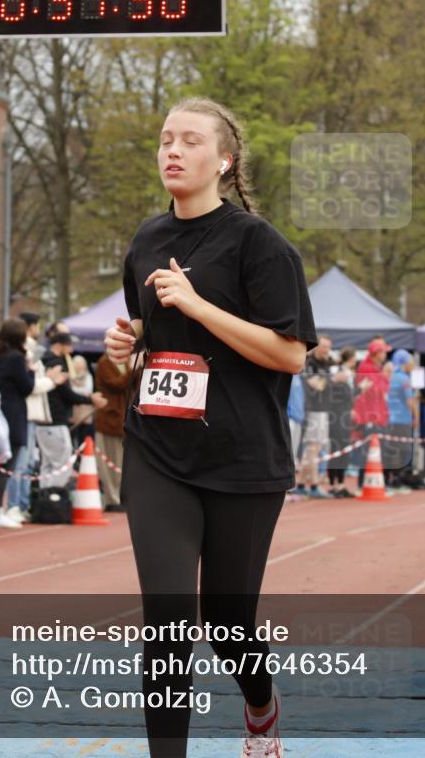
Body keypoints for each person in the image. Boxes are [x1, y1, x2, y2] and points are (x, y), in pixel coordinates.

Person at [105, 97, 317, 758]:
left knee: (227, 625)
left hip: (243, 459)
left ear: (222, 160)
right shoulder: (145, 241)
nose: (171, 150)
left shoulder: (259, 244)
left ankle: (260, 706)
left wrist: (197, 306)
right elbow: (150, 337)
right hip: (159, 450)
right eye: (165, 139)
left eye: (189, 140)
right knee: (167, 622)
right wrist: (124, 346)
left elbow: (289, 353)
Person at [5, 312, 66, 522]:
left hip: (33, 412)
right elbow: (29, 385)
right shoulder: (25, 352)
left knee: (28, 462)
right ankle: (15, 505)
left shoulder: (30, 351)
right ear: (30, 327)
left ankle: (21, 504)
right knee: (21, 462)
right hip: (27, 411)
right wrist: (51, 381)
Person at [0, 318, 36, 530]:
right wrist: (30, 370)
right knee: (6, 464)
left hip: (2, 410)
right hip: (13, 413)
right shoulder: (16, 358)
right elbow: (26, 387)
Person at [40, 331, 106, 488]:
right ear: (59, 345)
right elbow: (67, 394)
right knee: (61, 464)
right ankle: (54, 500)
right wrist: (90, 399)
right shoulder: (57, 364)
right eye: (68, 346)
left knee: (47, 464)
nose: (70, 350)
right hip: (55, 420)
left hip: (44, 420)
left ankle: (46, 500)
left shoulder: (43, 361)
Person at [94, 351, 137, 511]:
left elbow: (134, 384)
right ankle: (112, 498)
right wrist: (133, 369)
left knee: (120, 462)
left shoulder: (125, 362)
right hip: (109, 419)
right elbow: (116, 385)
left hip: (122, 419)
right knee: (109, 462)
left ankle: (120, 496)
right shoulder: (105, 362)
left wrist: (137, 369)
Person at [297, 335, 334, 498]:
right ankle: (312, 485)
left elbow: (323, 384)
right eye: (324, 347)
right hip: (312, 410)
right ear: (317, 346)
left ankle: (303, 484)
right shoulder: (309, 363)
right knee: (312, 447)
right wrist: (330, 379)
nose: (327, 350)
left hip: (323, 410)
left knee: (316, 447)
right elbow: (318, 386)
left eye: (328, 347)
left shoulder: (326, 363)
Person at [352, 338, 391, 491]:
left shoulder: (376, 367)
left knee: (377, 451)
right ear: (376, 353)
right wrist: (386, 377)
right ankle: (363, 484)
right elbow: (375, 392)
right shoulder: (366, 368)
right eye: (383, 351)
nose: (385, 354)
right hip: (370, 417)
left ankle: (375, 482)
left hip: (378, 416)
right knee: (367, 452)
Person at [326, 346, 357, 497]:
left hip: (345, 416)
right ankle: (333, 485)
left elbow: (350, 396)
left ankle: (341, 484)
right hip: (334, 416)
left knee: (344, 449)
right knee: (335, 449)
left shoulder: (349, 374)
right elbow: (326, 389)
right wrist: (335, 379)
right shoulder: (334, 371)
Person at [385, 350, 417, 492]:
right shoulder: (405, 379)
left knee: (392, 449)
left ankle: (390, 478)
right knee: (403, 450)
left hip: (389, 418)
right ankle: (397, 480)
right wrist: (416, 417)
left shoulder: (389, 376)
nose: (413, 365)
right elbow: (410, 401)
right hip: (403, 420)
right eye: (411, 362)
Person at [70, 354, 95, 447]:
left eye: (81, 364)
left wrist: (75, 391)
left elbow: (88, 390)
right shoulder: (70, 375)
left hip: (85, 412)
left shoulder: (88, 376)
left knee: (83, 436)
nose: (80, 366)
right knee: (72, 436)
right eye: (77, 364)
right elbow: (70, 390)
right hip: (73, 412)